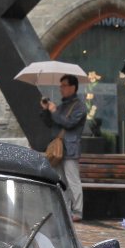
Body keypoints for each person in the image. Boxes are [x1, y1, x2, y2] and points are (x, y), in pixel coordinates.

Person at [41, 74, 87, 220]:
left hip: (70, 148)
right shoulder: (61, 106)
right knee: (61, 181)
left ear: (73, 87)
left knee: (73, 180)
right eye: (60, 86)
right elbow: (51, 124)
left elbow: (69, 123)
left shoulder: (79, 106)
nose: (61, 89)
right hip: (58, 150)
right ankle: (65, 210)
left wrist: (54, 111)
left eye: (64, 86)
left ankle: (77, 211)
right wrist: (46, 110)